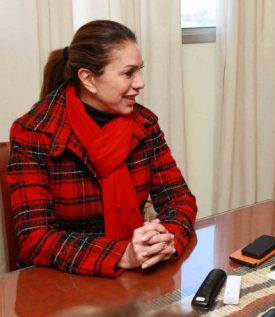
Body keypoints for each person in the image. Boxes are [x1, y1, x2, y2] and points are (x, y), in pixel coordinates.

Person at [8, 20, 197, 277]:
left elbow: (180, 199)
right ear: (88, 78)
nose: (140, 83)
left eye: (139, 71)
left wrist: (166, 239)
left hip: (134, 275)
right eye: (128, 73)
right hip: (58, 282)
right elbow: (35, 239)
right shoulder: (34, 132)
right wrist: (121, 254)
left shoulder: (144, 124)